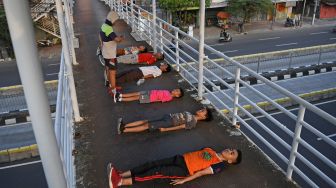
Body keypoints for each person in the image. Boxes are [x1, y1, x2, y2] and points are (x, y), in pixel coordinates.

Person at [107, 147, 242, 187]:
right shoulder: (211, 150)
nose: (229, 151)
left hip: (183, 170)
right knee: (151, 164)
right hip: (180, 159)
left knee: (155, 172)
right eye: (231, 149)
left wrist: (185, 180)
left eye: (232, 153)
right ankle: (121, 174)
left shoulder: (220, 165)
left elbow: (201, 173)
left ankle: (119, 182)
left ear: (230, 161)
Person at [116, 108, 212, 134]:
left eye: (203, 111)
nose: (200, 110)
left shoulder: (193, 123)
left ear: (204, 117)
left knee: (147, 126)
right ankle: (125, 125)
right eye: (202, 109)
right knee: (145, 121)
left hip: (169, 123)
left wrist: (166, 129)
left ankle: (124, 130)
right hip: (168, 117)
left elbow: (180, 127)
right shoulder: (190, 114)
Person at [99, 11, 124, 96]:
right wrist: (120, 38)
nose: (116, 22)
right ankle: (113, 90)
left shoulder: (103, 26)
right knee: (112, 71)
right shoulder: (109, 28)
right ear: (112, 19)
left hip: (105, 52)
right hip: (111, 54)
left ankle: (110, 85)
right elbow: (116, 39)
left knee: (108, 69)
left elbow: (100, 37)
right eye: (115, 21)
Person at [114, 88, 183, 103]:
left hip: (150, 97)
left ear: (177, 95)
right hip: (150, 92)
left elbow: (160, 100)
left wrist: (151, 99)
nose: (175, 90)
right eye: (176, 89)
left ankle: (120, 99)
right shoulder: (168, 91)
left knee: (136, 97)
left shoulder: (169, 97)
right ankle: (121, 95)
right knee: (137, 93)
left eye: (177, 91)